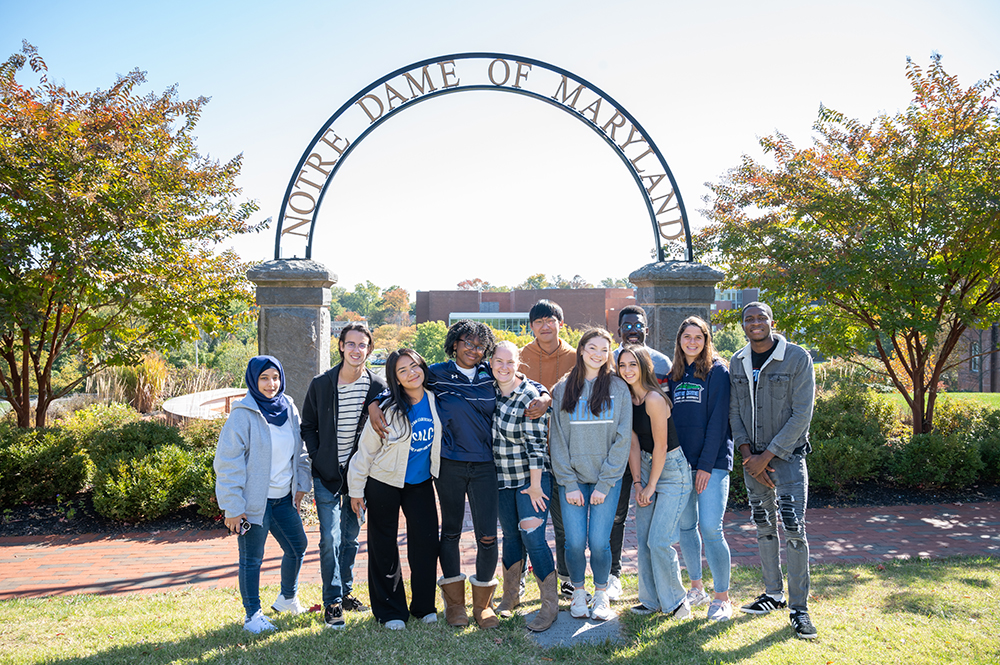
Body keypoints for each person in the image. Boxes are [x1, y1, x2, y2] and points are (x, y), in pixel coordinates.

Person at [368, 320, 549, 629]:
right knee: (450, 531)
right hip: (449, 465)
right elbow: (398, 380)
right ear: (454, 343)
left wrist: (544, 396)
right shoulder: (436, 373)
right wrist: (374, 403)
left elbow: (523, 381)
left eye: (480, 346)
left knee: (487, 535)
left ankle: (483, 606)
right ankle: (455, 605)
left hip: (486, 466)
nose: (473, 350)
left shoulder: (489, 374)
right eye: (467, 342)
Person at [730, 302, 818, 639]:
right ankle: (773, 594)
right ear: (743, 325)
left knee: (794, 529)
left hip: (787, 459)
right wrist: (747, 456)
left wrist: (764, 458)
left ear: (771, 322)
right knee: (764, 526)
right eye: (749, 318)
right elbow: (734, 410)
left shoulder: (797, 358)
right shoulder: (737, 361)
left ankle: (799, 609)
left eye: (760, 317)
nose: (755, 323)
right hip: (751, 460)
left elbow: (801, 415)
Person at [214, 356, 311, 633]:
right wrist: (233, 507)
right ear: (253, 381)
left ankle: (287, 599)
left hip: (283, 499)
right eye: (264, 378)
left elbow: (300, 450)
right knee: (252, 559)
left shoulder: (289, 407)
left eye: (275, 377)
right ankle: (252, 616)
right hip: (253, 503)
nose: (271, 384)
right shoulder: (242, 414)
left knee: (297, 547)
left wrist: (301, 485)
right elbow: (228, 463)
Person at [301, 322, 387, 629]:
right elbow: (307, 425)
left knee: (350, 539)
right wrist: (318, 455)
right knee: (329, 538)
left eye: (362, 345)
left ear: (369, 349)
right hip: (326, 475)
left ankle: (347, 591)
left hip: (358, 478)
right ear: (341, 346)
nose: (356, 350)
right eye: (350, 344)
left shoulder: (377, 387)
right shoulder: (322, 384)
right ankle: (333, 601)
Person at [347, 349, 441, 630]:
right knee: (384, 546)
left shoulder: (437, 399)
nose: (412, 373)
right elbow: (364, 452)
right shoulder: (387, 408)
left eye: (415, 366)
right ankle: (391, 612)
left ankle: (424, 606)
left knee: (425, 545)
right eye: (403, 370)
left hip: (420, 483)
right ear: (396, 379)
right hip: (383, 482)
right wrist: (355, 490)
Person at [549, 328, 632, 622]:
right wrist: (568, 483)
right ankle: (579, 593)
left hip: (604, 483)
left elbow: (623, 440)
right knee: (573, 542)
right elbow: (557, 440)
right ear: (582, 349)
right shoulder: (562, 389)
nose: (598, 354)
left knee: (599, 542)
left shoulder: (618, 389)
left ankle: (600, 594)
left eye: (604, 349)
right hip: (572, 482)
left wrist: (606, 483)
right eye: (592, 348)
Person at [618, 344, 692, 618]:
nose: (627, 370)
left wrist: (651, 485)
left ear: (644, 367)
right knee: (645, 537)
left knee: (659, 540)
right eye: (622, 365)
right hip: (646, 467)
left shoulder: (653, 399)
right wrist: (638, 483)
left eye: (632, 365)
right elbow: (634, 444)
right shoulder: (627, 399)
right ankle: (651, 601)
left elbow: (661, 446)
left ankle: (677, 602)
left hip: (672, 470)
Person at [669, 316, 735, 621]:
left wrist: (706, 466)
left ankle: (722, 597)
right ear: (679, 340)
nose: (692, 342)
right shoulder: (675, 375)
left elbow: (719, 423)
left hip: (713, 463)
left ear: (707, 340)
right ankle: (697, 587)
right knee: (686, 527)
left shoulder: (717, 372)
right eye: (687, 336)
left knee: (710, 527)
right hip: (682, 465)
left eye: (699, 337)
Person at [489, 341, 558, 632]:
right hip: (502, 479)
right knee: (510, 536)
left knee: (533, 537)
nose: (504, 368)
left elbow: (536, 447)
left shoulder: (529, 397)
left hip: (532, 479)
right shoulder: (489, 389)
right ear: (490, 362)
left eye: (510, 362)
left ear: (520, 364)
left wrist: (533, 485)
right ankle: (510, 598)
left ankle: (549, 606)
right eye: (498, 362)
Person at [607, 304, 672, 600]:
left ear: (647, 329)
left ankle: (661, 582)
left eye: (638, 325)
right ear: (618, 330)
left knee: (657, 521)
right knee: (616, 515)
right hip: (617, 449)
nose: (632, 330)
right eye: (627, 325)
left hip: (653, 451)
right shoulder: (609, 361)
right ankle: (613, 574)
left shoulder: (662, 363)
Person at [517, 299, 579, 600]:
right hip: (526, 450)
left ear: (560, 323)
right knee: (524, 518)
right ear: (531, 327)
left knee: (564, 518)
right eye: (538, 322)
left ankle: (567, 577)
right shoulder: (520, 356)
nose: (544, 326)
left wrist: (549, 400)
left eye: (550, 320)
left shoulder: (576, 357)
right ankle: (518, 577)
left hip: (563, 448)